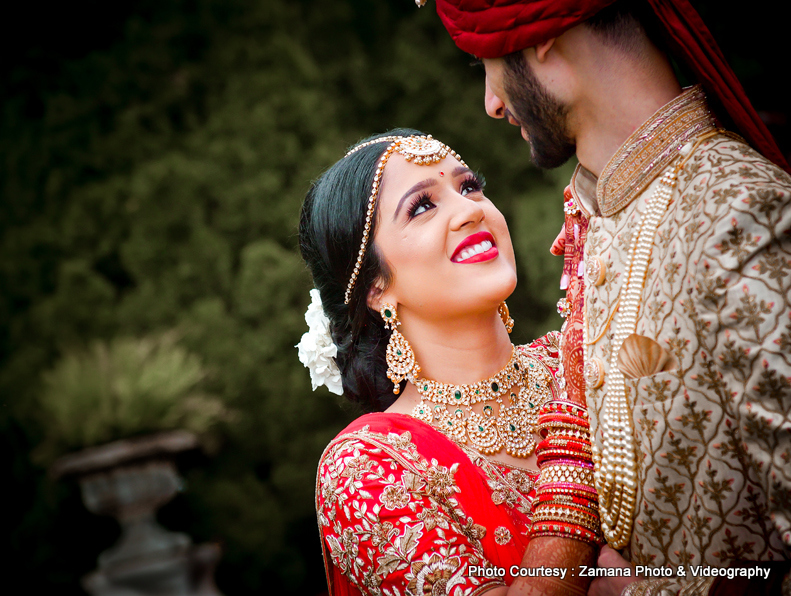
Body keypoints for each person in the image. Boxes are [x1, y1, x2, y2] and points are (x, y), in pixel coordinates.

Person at [425, 0, 791, 594]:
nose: (492, 102)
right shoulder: (601, 220)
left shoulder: (740, 217)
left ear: (542, 40)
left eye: (486, 64)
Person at [298, 129, 600, 596]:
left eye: (469, 186)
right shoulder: (369, 466)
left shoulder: (579, 358)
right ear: (375, 287)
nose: (471, 210)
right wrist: (575, 436)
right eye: (422, 206)